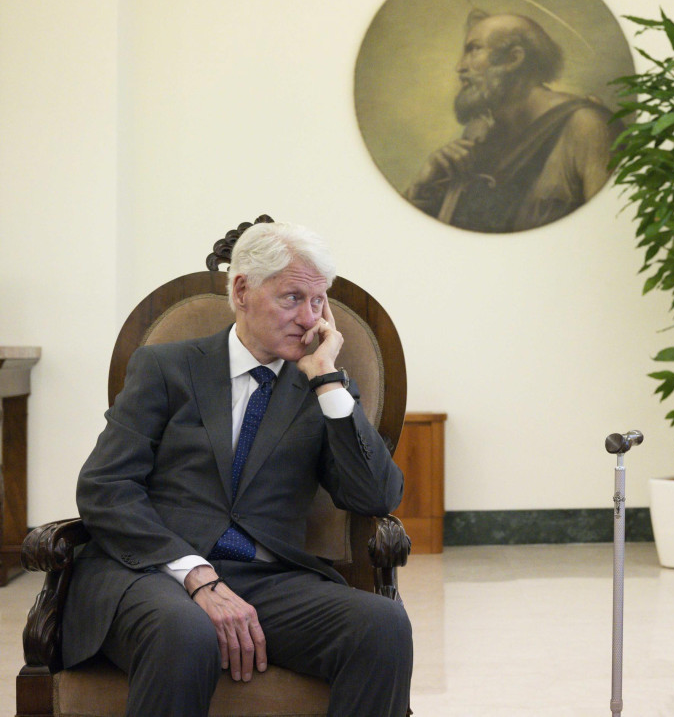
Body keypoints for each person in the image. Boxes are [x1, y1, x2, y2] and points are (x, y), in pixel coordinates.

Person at [61, 222, 412, 717]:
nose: (308, 319)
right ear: (243, 290)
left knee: (382, 624)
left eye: (318, 303)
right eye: (292, 298)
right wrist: (196, 575)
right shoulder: (166, 367)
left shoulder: (323, 389)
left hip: (269, 582)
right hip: (155, 572)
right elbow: (105, 487)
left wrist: (329, 384)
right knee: (184, 630)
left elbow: (376, 497)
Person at [406, 10, 620, 233]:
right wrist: (421, 188)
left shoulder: (588, 126)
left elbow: (611, 229)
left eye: (474, 49)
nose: (460, 66)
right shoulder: (480, 136)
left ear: (513, 59)